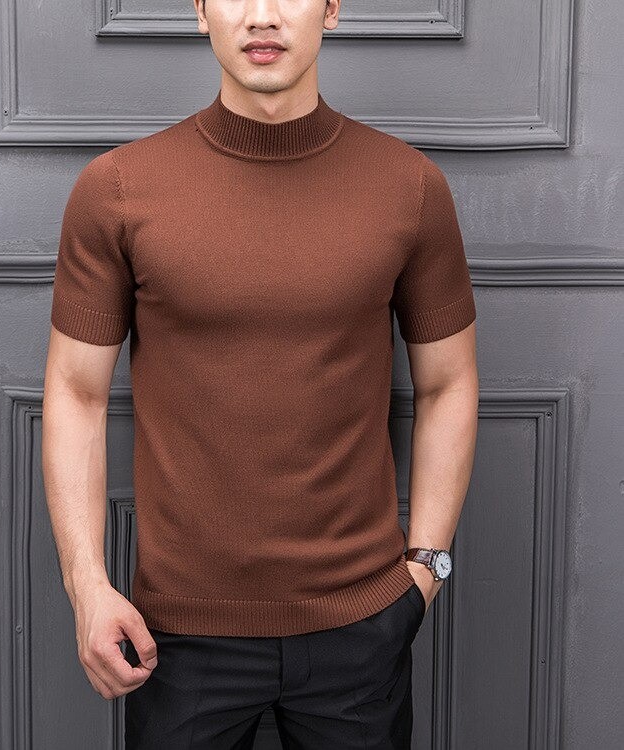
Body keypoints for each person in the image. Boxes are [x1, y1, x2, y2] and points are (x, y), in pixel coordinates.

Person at [41, 0, 478, 747]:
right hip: (176, 637)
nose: (262, 15)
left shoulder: (410, 187)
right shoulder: (117, 189)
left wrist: (425, 571)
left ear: (331, 9)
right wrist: (88, 588)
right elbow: (76, 393)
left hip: (363, 625)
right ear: (201, 10)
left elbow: (448, 383)